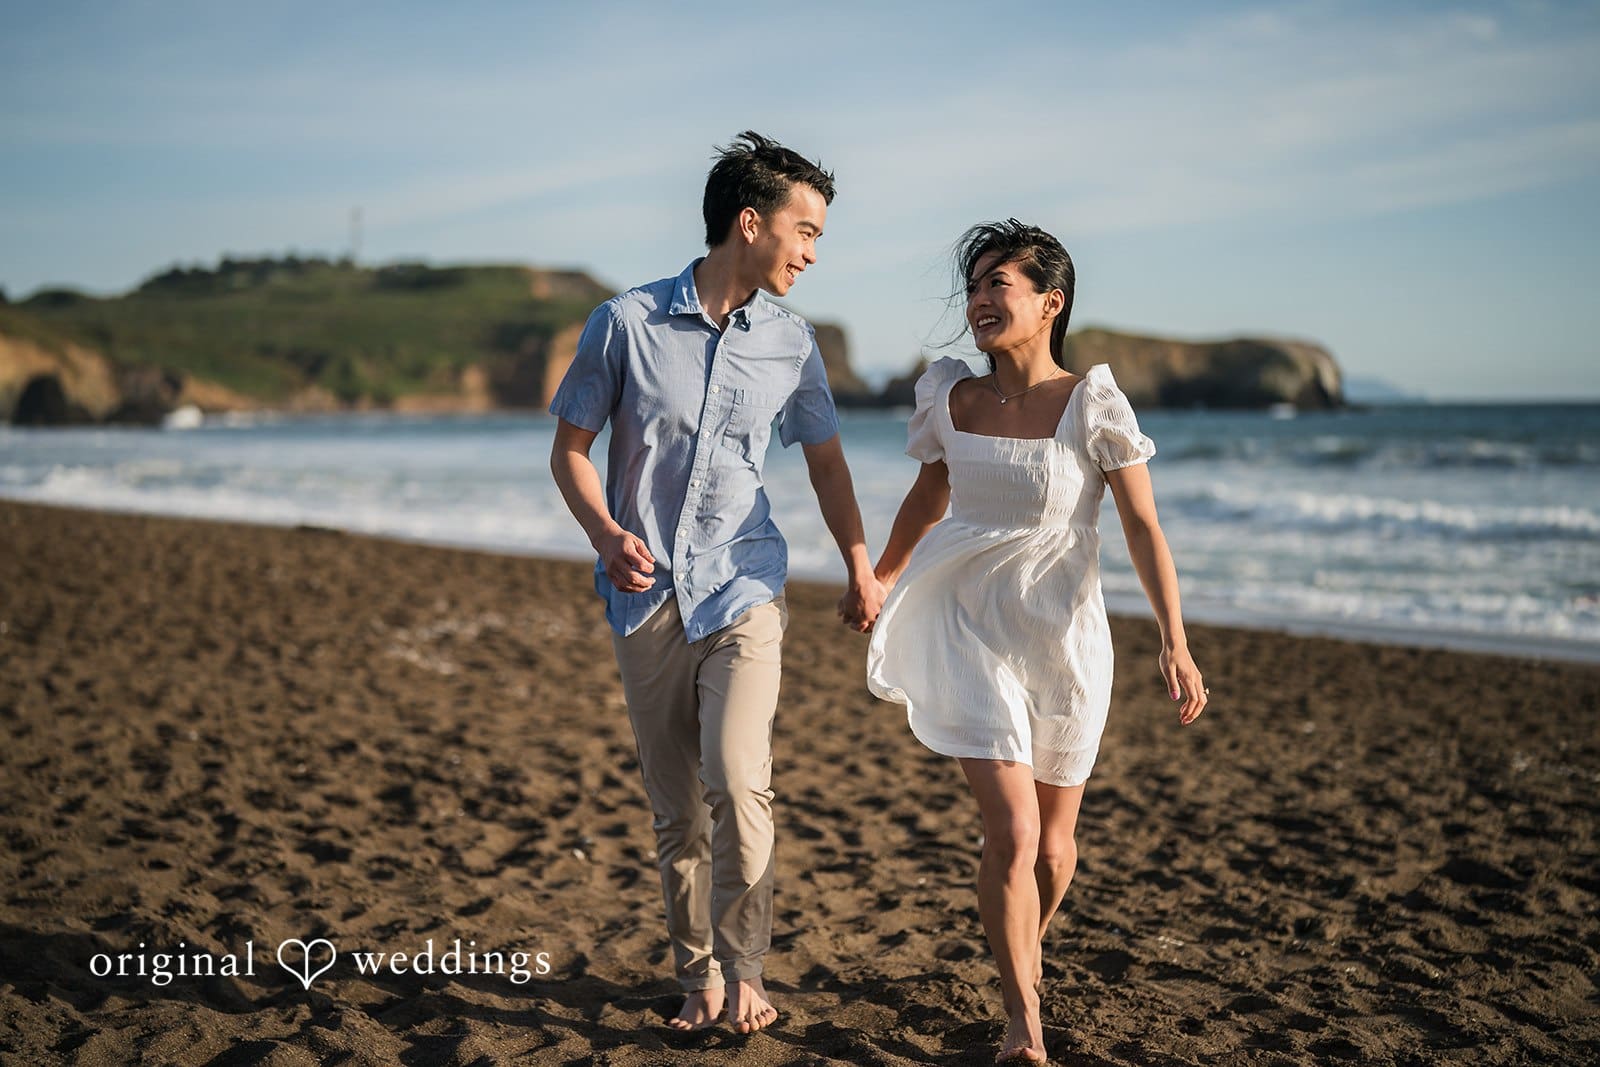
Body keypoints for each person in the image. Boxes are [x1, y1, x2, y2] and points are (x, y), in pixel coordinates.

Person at [549, 131, 886, 1035]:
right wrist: (606, 531)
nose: (813, 252)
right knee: (677, 809)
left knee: (739, 781)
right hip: (645, 595)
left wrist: (860, 561)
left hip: (744, 588)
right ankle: (696, 976)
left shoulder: (792, 342)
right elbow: (569, 449)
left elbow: (826, 463)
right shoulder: (624, 323)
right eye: (804, 230)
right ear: (751, 222)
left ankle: (746, 971)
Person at [864, 220, 1207, 1063]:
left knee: (1055, 850)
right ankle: (1025, 1021)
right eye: (974, 286)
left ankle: (1021, 946)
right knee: (1014, 835)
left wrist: (1176, 638)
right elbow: (927, 496)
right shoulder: (952, 396)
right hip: (966, 621)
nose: (980, 300)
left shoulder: (1093, 403)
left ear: (1050, 302)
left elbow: (1142, 523)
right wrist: (878, 575)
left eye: (998, 284)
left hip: (1062, 636)